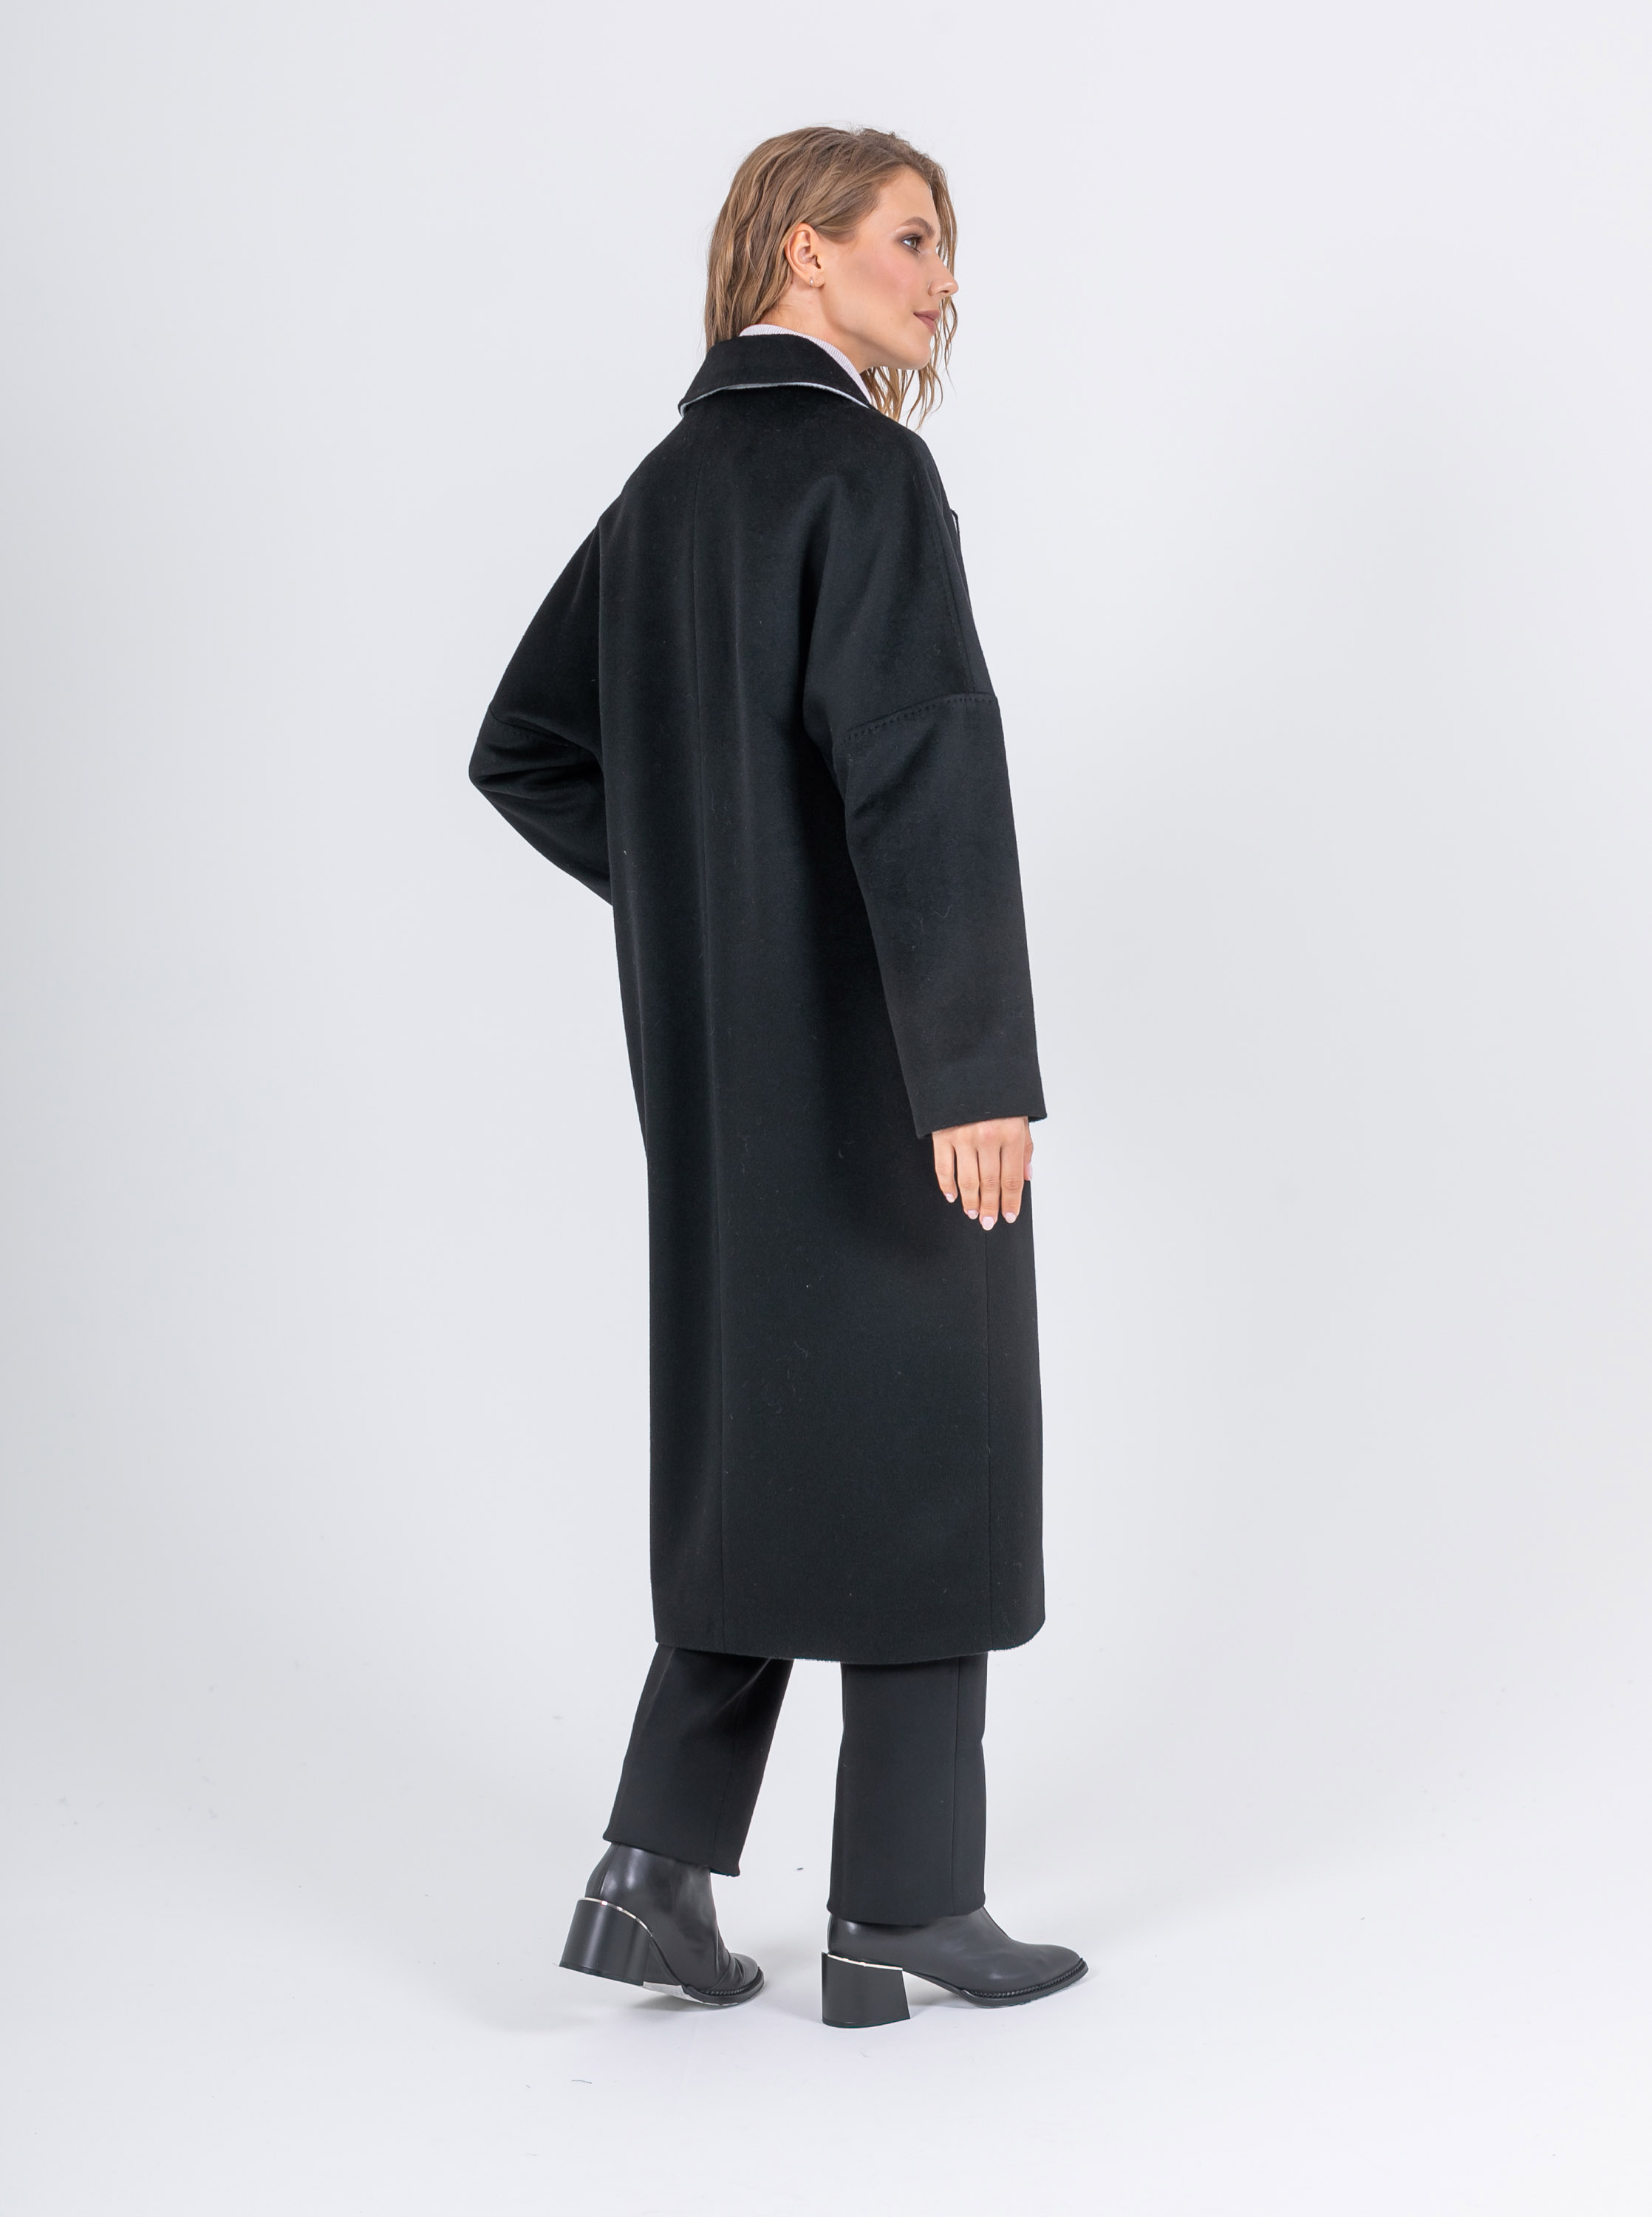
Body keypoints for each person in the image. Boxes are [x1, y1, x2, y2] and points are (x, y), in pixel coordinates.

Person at [469, 125, 1084, 2028]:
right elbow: (918, 766)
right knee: (931, 1442)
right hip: (884, 1057)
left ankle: (651, 1874)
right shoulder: (863, 473)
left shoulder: (662, 494)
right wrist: (971, 1065)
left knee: (767, 1444)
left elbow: (528, 748)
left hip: (717, 1083)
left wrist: (705, 907)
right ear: (803, 253)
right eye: (910, 238)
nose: (943, 281)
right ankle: (903, 1899)